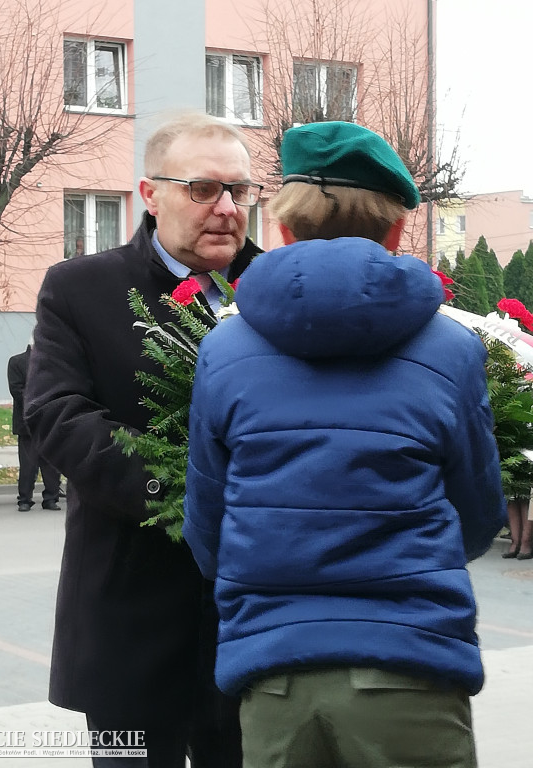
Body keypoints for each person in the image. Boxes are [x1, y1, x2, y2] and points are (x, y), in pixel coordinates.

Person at [182, 121, 507, 768]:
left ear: (282, 228)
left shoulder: (223, 351)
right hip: (411, 669)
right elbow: (477, 516)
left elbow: (209, 529)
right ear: (394, 231)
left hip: (275, 673)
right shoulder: (450, 349)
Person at [24, 114, 261, 767]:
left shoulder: (280, 289)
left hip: (253, 625)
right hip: (131, 620)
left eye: (240, 191)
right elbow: (57, 415)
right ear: (149, 195)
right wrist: (190, 491)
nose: (227, 208)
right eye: (204, 189)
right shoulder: (81, 288)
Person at [7, 344, 62, 511]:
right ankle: (24, 499)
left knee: (51, 463)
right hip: (27, 421)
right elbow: (16, 389)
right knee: (28, 464)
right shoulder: (16, 361)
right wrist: (39, 401)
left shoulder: (54, 361)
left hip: (50, 420)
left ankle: (51, 498)